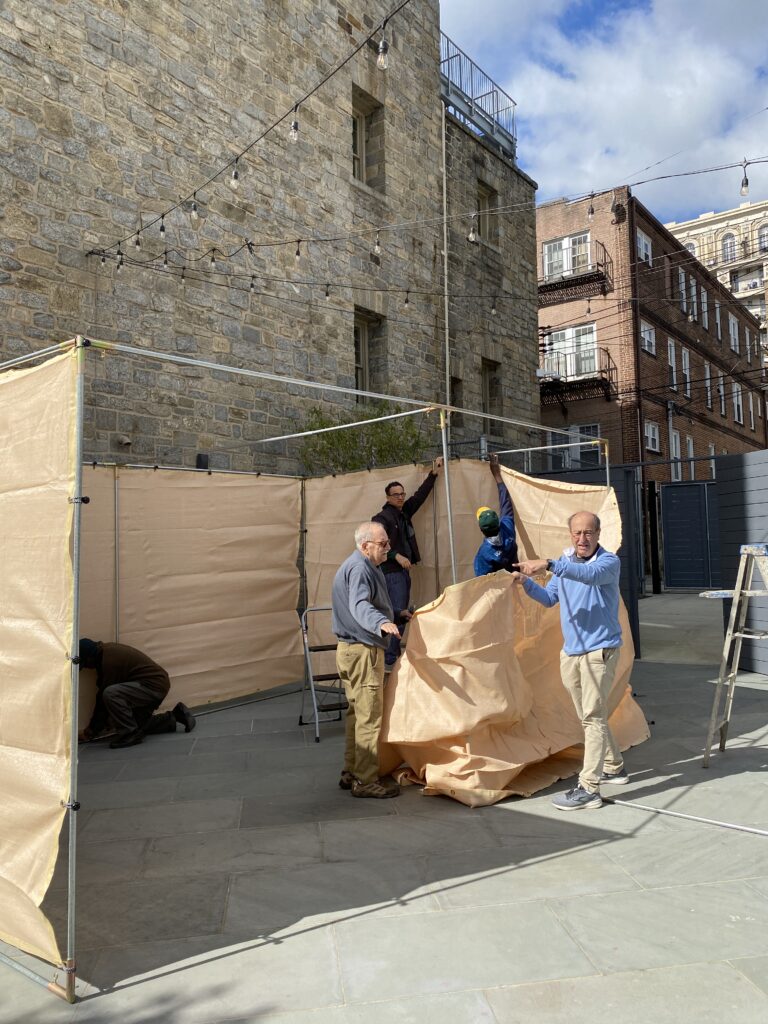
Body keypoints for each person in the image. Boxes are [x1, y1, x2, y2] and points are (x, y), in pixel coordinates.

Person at [511, 510, 628, 810]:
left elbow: (587, 576)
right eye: (577, 533)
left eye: (588, 532)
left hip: (599, 652)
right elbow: (550, 598)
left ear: (599, 534)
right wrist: (526, 583)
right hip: (572, 652)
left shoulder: (608, 563)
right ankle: (613, 765)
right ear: (570, 535)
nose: (582, 538)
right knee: (590, 716)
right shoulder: (565, 563)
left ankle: (589, 788)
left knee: (592, 716)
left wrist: (550, 564)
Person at [331, 521, 401, 799]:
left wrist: (397, 612)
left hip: (349, 650)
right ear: (365, 546)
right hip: (363, 651)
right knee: (369, 718)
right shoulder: (360, 568)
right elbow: (360, 605)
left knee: (355, 715)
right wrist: (382, 622)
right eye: (383, 544)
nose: (388, 548)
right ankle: (365, 780)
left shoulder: (357, 565)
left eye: (387, 543)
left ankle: (351, 772)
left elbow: (368, 601)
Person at [373, 456, 442, 670]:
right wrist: (396, 556)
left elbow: (419, 497)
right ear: (388, 496)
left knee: (400, 612)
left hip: (402, 573)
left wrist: (433, 474)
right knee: (396, 612)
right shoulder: (382, 518)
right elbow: (377, 543)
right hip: (391, 572)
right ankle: (390, 658)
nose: (401, 497)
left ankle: (392, 656)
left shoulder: (402, 514)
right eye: (397, 495)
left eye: (402, 494)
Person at [78, 638, 195, 749]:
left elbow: (102, 701)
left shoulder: (109, 660)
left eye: (85, 664)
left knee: (110, 693)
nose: (87, 668)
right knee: (138, 724)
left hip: (153, 686)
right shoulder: (106, 652)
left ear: (90, 657)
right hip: (155, 684)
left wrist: (91, 731)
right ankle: (175, 716)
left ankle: (130, 734)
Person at [474, 453, 518, 576]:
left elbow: (481, 582)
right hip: (515, 582)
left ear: (481, 530)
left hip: (499, 591)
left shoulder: (484, 553)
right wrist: (497, 474)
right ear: (499, 522)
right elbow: (506, 503)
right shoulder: (507, 528)